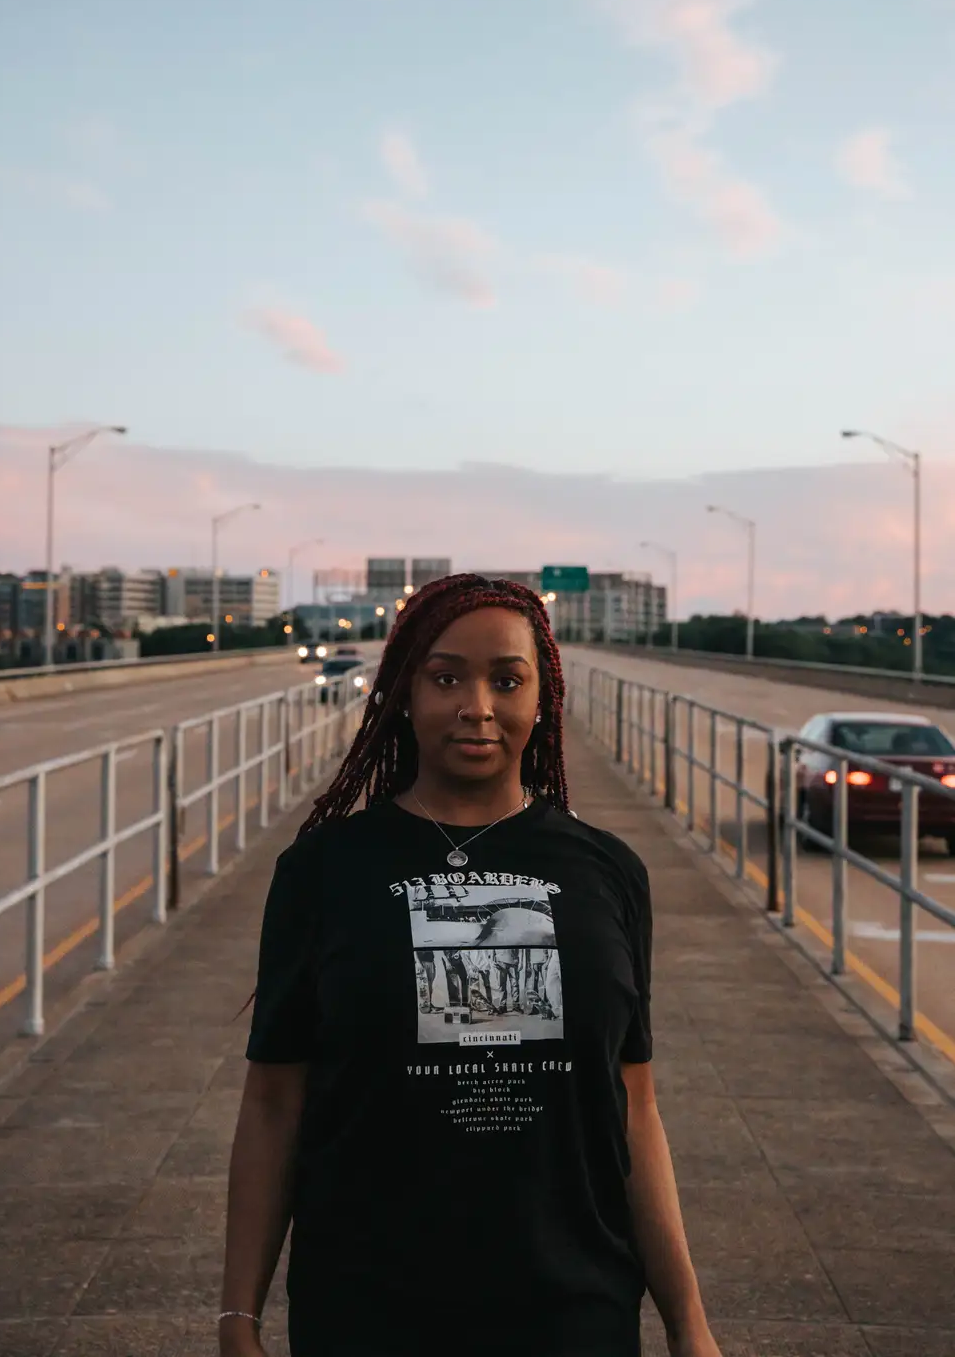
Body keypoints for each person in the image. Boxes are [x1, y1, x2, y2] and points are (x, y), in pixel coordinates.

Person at [219, 573, 722, 1357]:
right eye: (446, 677)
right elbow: (275, 1102)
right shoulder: (323, 870)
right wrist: (238, 1317)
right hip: (368, 1312)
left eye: (507, 681)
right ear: (404, 693)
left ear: (542, 699)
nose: (477, 706)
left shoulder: (607, 873)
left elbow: (633, 1109)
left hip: (573, 1311)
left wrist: (690, 1326)